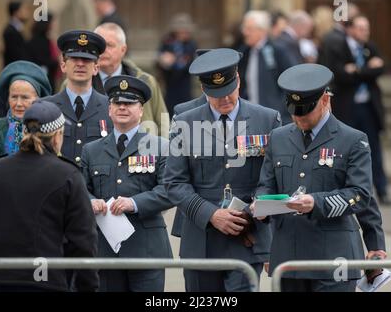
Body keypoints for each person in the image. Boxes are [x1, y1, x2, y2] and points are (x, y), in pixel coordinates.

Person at [164, 48, 281, 291]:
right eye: (217, 94)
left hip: (246, 236)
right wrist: (212, 215)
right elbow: (174, 182)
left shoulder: (267, 119)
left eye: (229, 91)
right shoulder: (185, 122)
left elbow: (272, 178)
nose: (225, 99)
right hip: (201, 238)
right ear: (204, 90)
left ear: (238, 80)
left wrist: (254, 211)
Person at [255, 63, 374, 292]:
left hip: (333, 257)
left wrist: (316, 203)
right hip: (289, 256)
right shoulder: (278, 138)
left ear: (325, 100)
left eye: (306, 111)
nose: (299, 118)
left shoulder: (353, 140)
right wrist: (260, 205)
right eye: (294, 111)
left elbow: (360, 195)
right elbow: (265, 184)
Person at [0, 100, 98, 291]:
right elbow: (83, 242)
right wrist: (88, 286)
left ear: (24, 133)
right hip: (44, 280)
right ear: (57, 136)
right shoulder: (68, 175)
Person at [82, 75, 172, 291]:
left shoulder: (160, 147)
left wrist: (135, 203)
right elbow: (80, 188)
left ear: (141, 110)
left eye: (130, 103)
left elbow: (170, 189)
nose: (123, 107)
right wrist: (91, 201)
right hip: (105, 248)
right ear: (109, 109)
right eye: (117, 103)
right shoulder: (91, 150)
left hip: (147, 247)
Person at [319, 15, 389, 205]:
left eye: (366, 28)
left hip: (368, 107)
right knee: (345, 148)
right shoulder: (339, 46)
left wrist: (357, 70)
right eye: (360, 28)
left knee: (374, 148)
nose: (364, 31)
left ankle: (381, 190)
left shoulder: (370, 47)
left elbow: (381, 69)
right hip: (347, 107)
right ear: (349, 29)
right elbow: (340, 75)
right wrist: (366, 70)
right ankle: (344, 190)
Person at [43, 30, 113, 165]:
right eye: (74, 58)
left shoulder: (111, 108)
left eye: (87, 59)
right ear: (63, 66)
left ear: (96, 68)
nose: (80, 64)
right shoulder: (46, 108)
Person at [93, 23, 169, 137]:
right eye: (100, 45)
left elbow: (163, 124)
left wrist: (162, 152)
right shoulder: (80, 83)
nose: (103, 50)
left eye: (109, 45)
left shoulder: (145, 81)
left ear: (123, 50)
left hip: (141, 151)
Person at [238, 10, 298, 124]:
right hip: (249, 117)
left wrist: (281, 110)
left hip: (273, 118)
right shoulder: (244, 52)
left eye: (249, 29)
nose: (245, 32)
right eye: (244, 28)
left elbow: (292, 82)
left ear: (262, 31)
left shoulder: (278, 50)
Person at [0, 61, 52, 160]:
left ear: (38, 99)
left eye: (25, 97)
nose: (19, 103)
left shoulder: (49, 130)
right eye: (14, 97)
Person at [157, 13, 197, 118]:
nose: (184, 33)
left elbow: (190, 63)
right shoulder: (167, 42)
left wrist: (175, 61)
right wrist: (163, 61)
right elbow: (159, 60)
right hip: (170, 83)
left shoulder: (191, 44)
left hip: (184, 83)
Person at [27, 13, 60, 92]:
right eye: (53, 22)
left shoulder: (45, 39)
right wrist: (57, 61)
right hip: (42, 79)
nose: (55, 24)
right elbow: (42, 60)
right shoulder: (39, 41)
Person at [2, 0, 30, 66]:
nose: (27, 12)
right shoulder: (10, 31)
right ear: (16, 12)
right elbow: (16, 56)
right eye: (24, 9)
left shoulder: (17, 29)